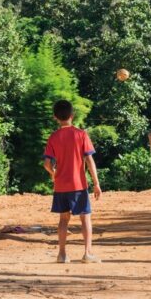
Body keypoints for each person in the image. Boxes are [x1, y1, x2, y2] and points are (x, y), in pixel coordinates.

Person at [43, 100, 102, 264]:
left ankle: (62, 255)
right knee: (85, 218)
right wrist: (96, 183)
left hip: (61, 185)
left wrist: (53, 174)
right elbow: (90, 161)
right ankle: (87, 253)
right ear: (72, 115)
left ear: (55, 117)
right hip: (78, 185)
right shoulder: (81, 134)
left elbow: (47, 164)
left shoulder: (53, 137)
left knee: (63, 219)